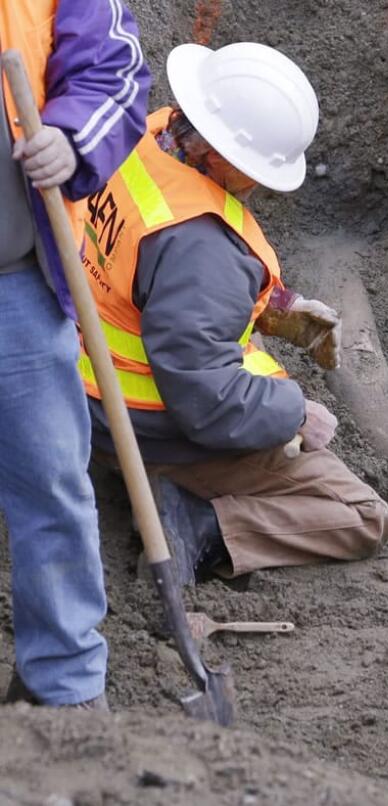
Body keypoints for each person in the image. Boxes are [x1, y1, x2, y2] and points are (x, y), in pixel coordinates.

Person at [80, 41, 388, 589]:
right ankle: (200, 525)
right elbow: (210, 403)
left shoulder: (141, 137)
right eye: (255, 172)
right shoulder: (204, 250)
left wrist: (275, 308)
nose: (257, 186)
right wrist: (295, 413)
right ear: (223, 156)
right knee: (360, 515)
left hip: (77, 375)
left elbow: (151, 275)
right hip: (138, 424)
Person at [0, 0, 150, 711]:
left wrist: (68, 139)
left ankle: (62, 694)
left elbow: (112, 69)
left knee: (51, 485)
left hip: (14, 284)